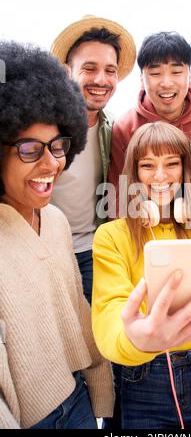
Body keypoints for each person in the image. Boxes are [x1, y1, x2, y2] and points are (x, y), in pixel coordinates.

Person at [92, 121, 191, 429]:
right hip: (140, 382)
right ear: (134, 173)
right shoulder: (111, 237)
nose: (161, 176)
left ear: (187, 169)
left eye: (172, 164)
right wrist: (139, 341)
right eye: (147, 165)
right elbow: (109, 318)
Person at [0, 41, 114, 429]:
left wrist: (101, 397)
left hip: (78, 401)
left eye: (58, 146)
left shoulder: (56, 221)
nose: (52, 163)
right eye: (30, 149)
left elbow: (77, 316)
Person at [50, 15, 136, 303]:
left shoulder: (116, 130)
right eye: (89, 68)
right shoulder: (40, 127)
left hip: (92, 251)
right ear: (66, 71)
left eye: (109, 70)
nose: (101, 79)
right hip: (44, 250)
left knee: (97, 338)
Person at [108, 31, 191, 193]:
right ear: (142, 79)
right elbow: (117, 193)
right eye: (155, 74)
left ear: (189, 75)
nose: (166, 83)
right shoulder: (125, 127)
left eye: (176, 72)